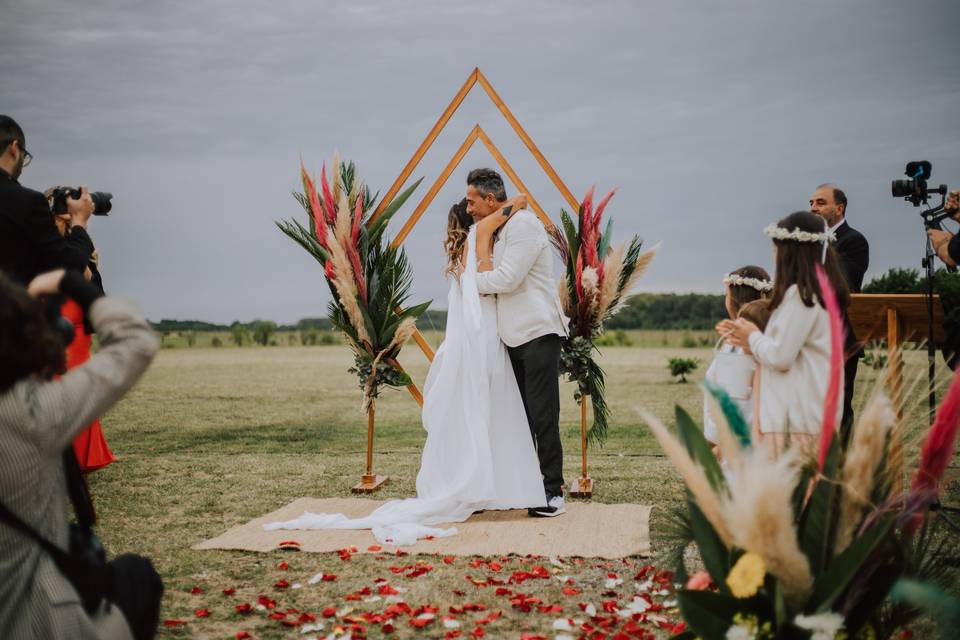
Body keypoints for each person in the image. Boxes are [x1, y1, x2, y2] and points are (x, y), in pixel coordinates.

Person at [265, 194, 547, 545]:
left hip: (476, 340)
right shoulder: (478, 242)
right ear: (472, 220)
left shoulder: (461, 252)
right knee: (488, 410)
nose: (481, 214)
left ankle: (487, 484)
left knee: (482, 412)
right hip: (484, 338)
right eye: (475, 210)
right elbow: (488, 265)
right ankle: (491, 485)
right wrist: (516, 203)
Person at [0, 268, 161, 639]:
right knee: (137, 575)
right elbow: (136, 342)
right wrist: (74, 285)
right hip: (36, 623)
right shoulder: (30, 413)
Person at [472, 168, 570, 517]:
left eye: (472, 200)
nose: (468, 208)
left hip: (537, 331)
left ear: (489, 199)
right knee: (520, 416)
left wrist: (471, 282)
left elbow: (509, 279)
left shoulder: (524, 226)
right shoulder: (500, 230)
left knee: (543, 414)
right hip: (511, 336)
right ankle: (523, 486)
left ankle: (553, 492)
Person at [719, 212, 850, 459]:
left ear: (790, 252)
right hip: (799, 417)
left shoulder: (803, 298)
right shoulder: (813, 295)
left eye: (777, 248)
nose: (775, 255)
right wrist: (748, 343)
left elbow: (781, 356)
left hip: (797, 421)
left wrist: (753, 335)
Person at [48, 195, 115, 472]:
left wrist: (88, 269)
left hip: (77, 327)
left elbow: (96, 293)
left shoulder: (80, 248)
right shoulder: (42, 245)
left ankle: (85, 453)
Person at [0, 115, 96, 285]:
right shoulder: (28, 202)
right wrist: (79, 223)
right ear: (14, 148)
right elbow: (70, 268)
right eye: (24, 155)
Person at [809, 184, 868, 431]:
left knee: (839, 408)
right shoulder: (808, 243)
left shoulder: (854, 241)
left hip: (840, 336)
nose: (813, 208)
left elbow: (842, 282)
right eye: (811, 203)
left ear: (839, 207)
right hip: (810, 336)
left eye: (820, 202)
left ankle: (842, 466)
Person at [703, 267, 772, 452]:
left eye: (726, 293)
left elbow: (738, 403)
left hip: (736, 447)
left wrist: (718, 446)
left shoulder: (743, 346)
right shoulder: (767, 341)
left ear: (733, 299)